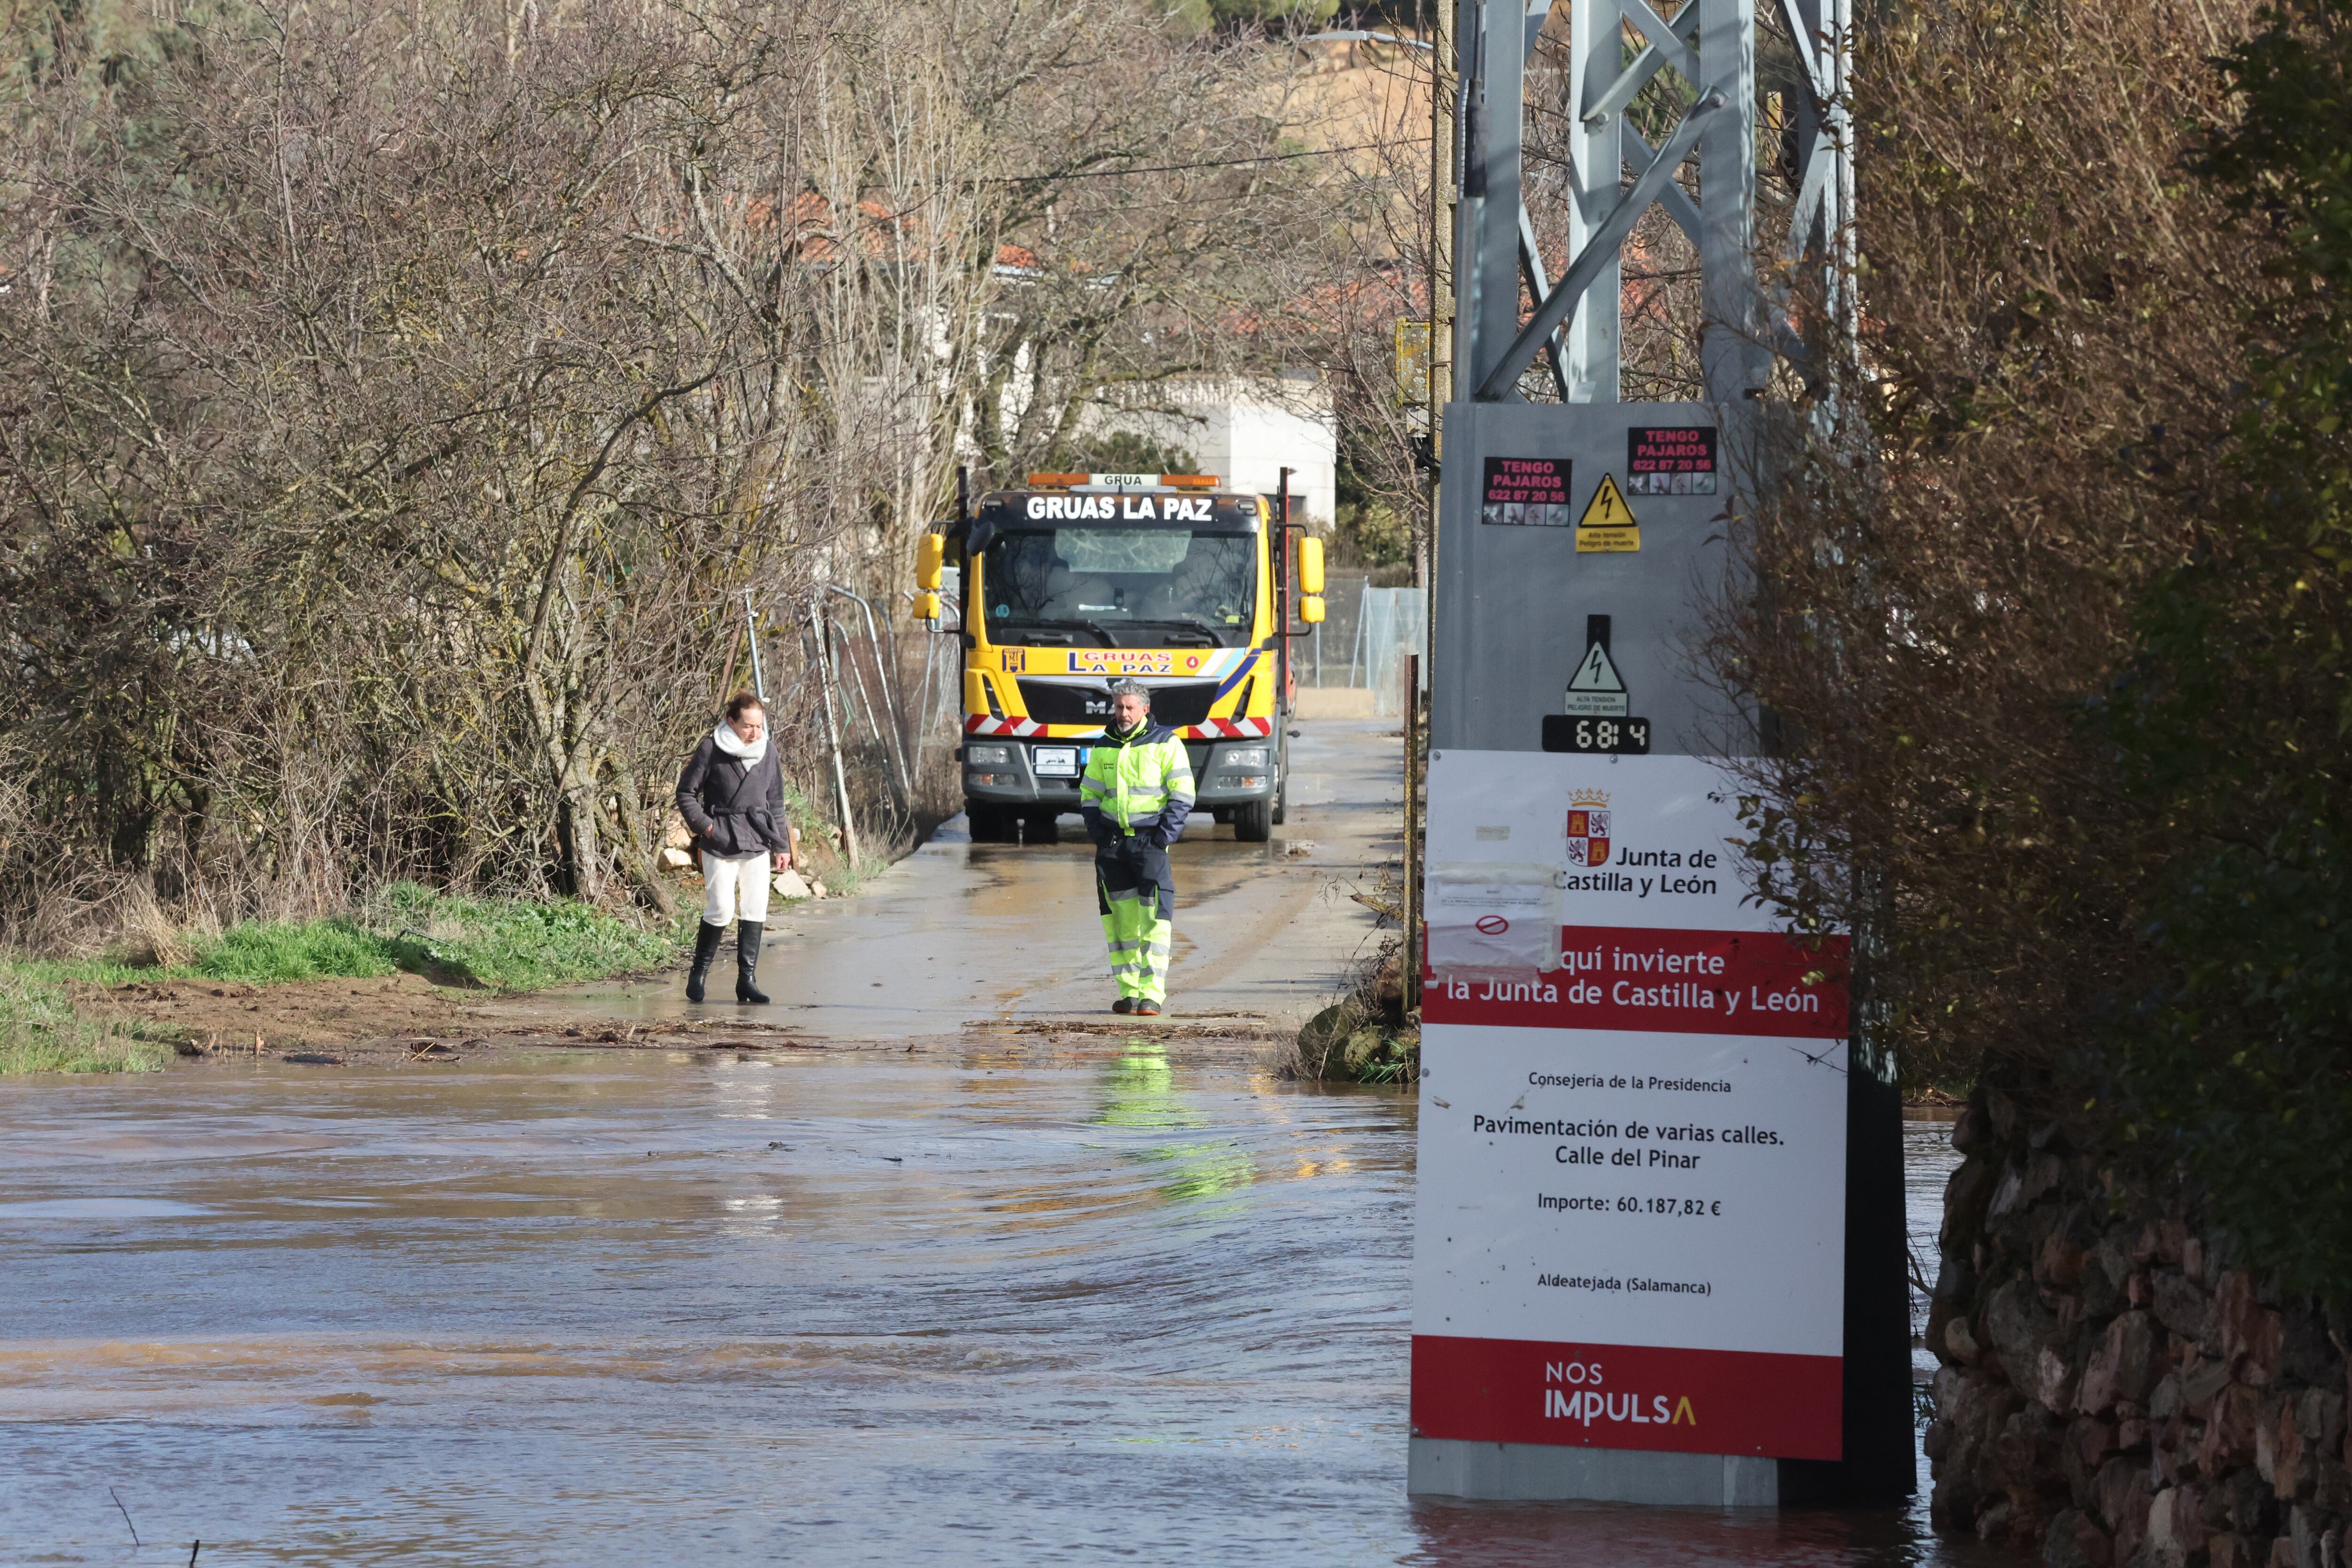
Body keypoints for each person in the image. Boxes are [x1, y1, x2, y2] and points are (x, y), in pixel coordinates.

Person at [1078, 680, 1195, 1016]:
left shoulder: (1166, 743)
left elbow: (1184, 793)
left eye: (1130, 707)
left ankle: (1151, 996)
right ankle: (1129, 994)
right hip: (1113, 847)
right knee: (1120, 924)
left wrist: (1163, 838)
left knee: (1155, 921)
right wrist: (1099, 835)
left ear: (1145, 710)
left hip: (1150, 844)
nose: (1124, 714)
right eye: (1119, 707)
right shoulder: (1104, 747)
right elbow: (1089, 795)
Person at [675, 692, 793, 1004]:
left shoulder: (767, 751)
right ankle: (698, 974)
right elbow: (686, 793)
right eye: (748, 726)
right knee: (722, 908)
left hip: (757, 837)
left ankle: (747, 981)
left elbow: (776, 802)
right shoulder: (712, 749)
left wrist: (782, 845)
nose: (756, 733)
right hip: (721, 839)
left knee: (755, 908)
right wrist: (708, 827)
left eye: (760, 725)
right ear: (731, 722)